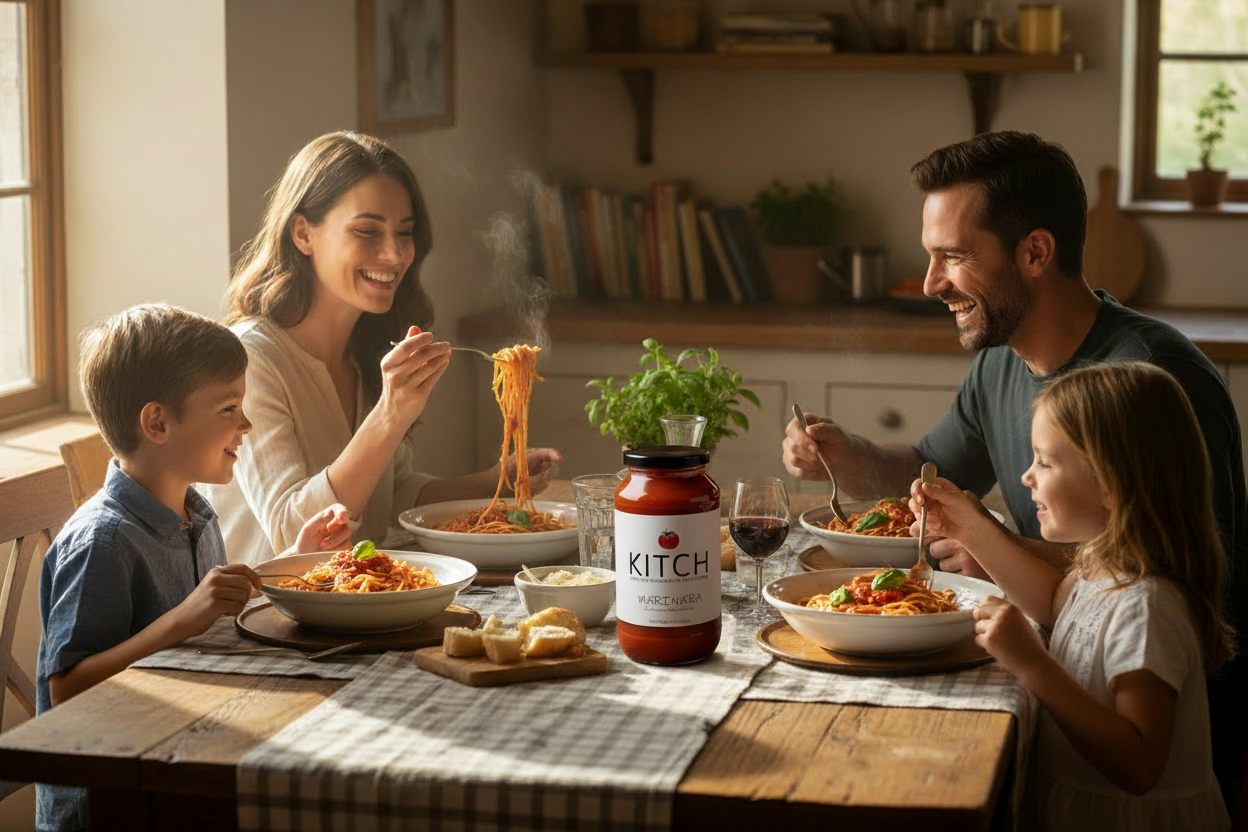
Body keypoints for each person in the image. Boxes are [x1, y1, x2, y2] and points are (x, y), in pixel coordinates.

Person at [780, 130, 1247, 806]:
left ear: (1035, 252)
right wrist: (845, 455)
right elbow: (921, 472)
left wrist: (999, 552)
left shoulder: (1149, 381)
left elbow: (1202, 590)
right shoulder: (999, 359)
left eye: (952, 256)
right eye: (930, 257)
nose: (934, 282)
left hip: (1155, 740)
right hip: (1061, 682)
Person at [37, 304, 353, 832]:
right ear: (157, 422)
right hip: (113, 803)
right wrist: (180, 621)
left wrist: (290, 561)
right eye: (228, 409)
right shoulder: (102, 542)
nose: (246, 425)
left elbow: (216, 612)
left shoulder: (196, 512)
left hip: (182, 756)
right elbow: (66, 690)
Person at [206, 131, 561, 567]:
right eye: (367, 231)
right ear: (303, 234)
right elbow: (291, 534)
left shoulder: (367, 349)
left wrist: (493, 482)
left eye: (405, 232)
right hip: (264, 612)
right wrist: (391, 414)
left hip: (358, 599)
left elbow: (392, 491)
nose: (394, 254)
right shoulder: (250, 359)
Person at [910, 361, 1233, 830]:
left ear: (1109, 481)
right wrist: (969, 528)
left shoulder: (1147, 605)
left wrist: (1031, 663)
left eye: (1044, 460)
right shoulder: (1102, 565)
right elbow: (1049, 602)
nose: (1025, 477)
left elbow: (1139, 764)